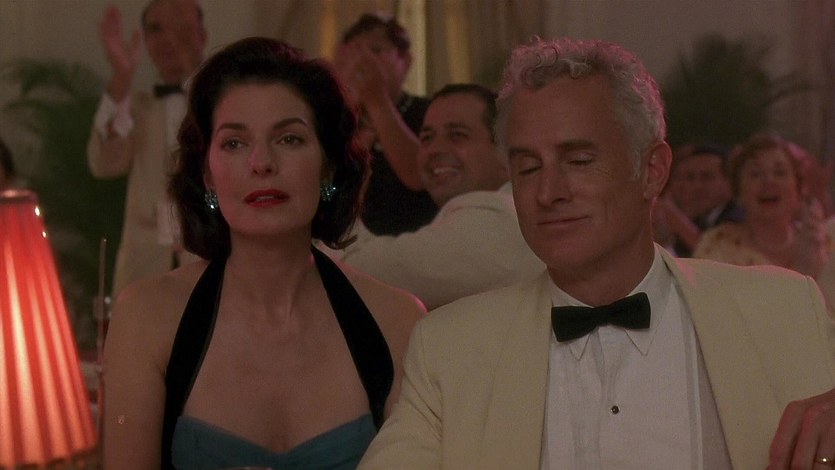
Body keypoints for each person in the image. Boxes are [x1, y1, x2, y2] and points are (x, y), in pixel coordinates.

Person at [358, 37, 835, 469]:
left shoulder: (783, 311)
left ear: (652, 171)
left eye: (579, 161)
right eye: (528, 168)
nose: (548, 192)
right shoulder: (450, 348)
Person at [103, 37, 424, 470]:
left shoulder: (397, 321)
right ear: (208, 175)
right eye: (234, 143)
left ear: (328, 167)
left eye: (289, 138)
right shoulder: (147, 316)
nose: (261, 162)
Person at [332, 84, 543, 309]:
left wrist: (337, 187)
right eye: (427, 138)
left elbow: (355, 273)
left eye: (457, 135)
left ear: (506, 153)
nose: (434, 150)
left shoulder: (497, 218)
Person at [87, 0, 206, 295]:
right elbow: (104, 163)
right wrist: (122, 76)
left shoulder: (223, 104)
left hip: (209, 259)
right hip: (144, 268)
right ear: (145, 40)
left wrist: (195, 69)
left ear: (202, 35)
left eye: (180, 26)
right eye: (156, 28)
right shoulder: (137, 108)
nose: (168, 37)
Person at [334, 12, 438, 235]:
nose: (362, 63)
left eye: (376, 50)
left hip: (416, 243)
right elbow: (326, 195)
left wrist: (377, 101)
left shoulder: (431, 112)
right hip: (349, 246)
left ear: (405, 61)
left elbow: (423, 176)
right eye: (354, 53)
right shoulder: (336, 123)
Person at [694, 133, 831, 278]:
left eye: (780, 173)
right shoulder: (717, 245)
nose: (769, 182)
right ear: (738, 192)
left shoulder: (824, 242)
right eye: (756, 174)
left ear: (798, 188)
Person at [656, 142, 744, 257]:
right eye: (691, 178)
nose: (696, 186)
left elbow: (717, 256)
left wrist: (672, 215)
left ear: (729, 181)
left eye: (707, 177)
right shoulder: (701, 219)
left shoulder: (738, 217)